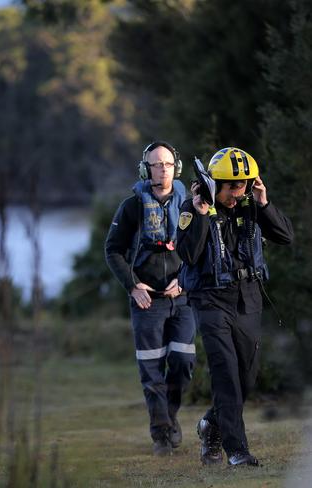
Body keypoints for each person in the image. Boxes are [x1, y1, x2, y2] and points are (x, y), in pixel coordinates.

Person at [177, 147, 293, 466]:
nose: (237, 192)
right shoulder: (194, 207)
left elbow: (285, 236)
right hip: (210, 300)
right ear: (216, 184)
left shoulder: (251, 205)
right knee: (226, 374)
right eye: (232, 186)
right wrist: (201, 212)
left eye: (243, 185)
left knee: (247, 377)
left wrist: (263, 202)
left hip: (248, 298)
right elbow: (187, 255)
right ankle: (237, 451)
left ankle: (212, 423)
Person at [105, 141, 196, 456]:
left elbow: (202, 247)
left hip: (182, 298)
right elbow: (112, 249)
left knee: (183, 363)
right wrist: (133, 286)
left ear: (177, 168)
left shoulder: (189, 202)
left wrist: (184, 282)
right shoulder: (131, 206)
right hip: (147, 302)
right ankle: (161, 436)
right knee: (152, 371)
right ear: (145, 168)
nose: (163, 170)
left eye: (168, 164)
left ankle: (170, 418)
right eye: (156, 164)